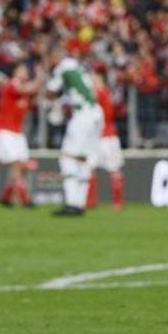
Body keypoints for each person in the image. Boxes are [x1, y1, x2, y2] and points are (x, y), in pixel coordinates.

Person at [45, 48, 104, 217]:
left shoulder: (63, 67)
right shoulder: (79, 67)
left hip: (82, 115)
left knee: (67, 157)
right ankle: (80, 203)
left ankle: (72, 203)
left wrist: (51, 97)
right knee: (83, 159)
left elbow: (50, 91)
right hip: (96, 113)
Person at [0, 65, 39, 208]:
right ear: (15, 73)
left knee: (23, 166)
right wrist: (39, 78)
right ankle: (25, 199)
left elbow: (29, 102)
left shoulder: (24, 94)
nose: (25, 72)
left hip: (17, 133)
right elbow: (27, 89)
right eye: (22, 70)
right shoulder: (11, 84)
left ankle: (6, 196)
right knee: (17, 163)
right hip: (4, 131)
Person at [87, 71, 125, 211]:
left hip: (104, 137)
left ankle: (93, 202)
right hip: (104, 137)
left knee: (96, 169)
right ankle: (115, 202)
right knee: (108, 170)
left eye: (92, 79)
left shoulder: (98, 94)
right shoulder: (106, 94)